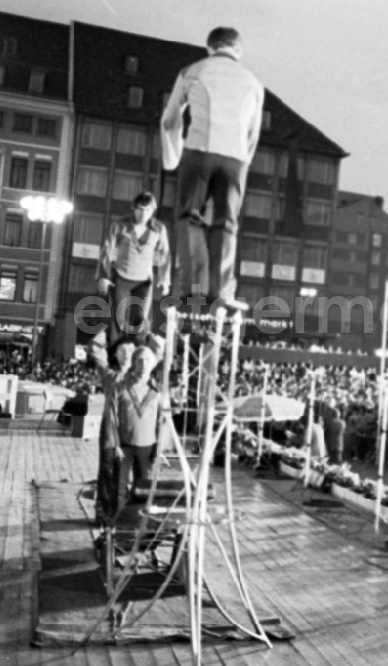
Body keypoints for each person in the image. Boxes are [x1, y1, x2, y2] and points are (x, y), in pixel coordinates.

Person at [160, 26, 264, 310]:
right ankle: (223, 292)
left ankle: (194, 289)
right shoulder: (254, 83)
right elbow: (253, 134)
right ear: (238, 50)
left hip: (199, 152)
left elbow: (170, 121)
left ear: (210, 47)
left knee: (188, 217)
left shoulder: (193, 71)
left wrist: (172, 157)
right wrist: (243, 162)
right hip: (235, 159)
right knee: (226, 222)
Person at [97, 192, 170, 342]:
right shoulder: (119, 226)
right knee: (119, 319)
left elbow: (164, 254)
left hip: (144, 282)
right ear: (133, 208)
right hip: (121, 278)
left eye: (148, 210)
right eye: (140, 209)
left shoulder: (158, 229)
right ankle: (115, 356)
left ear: (153, 211)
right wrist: (104, 276)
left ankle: (137, 354)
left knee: (139, 319)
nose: (144, 214)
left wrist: (164, 279)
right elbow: (107, 249)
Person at [90, 335, 137, 526]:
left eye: (131, 351)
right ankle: (103, 513)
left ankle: (121, 514)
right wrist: (108, 329)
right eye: (122, 351)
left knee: (125, 476)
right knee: (107, 472)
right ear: (115, 355)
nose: (127, 355)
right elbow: (94, 348)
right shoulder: (109, 375)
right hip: (110, 432)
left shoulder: (140, 377)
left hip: (131, 433)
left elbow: (158, 351)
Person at [116, 346, 162, 510]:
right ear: (134, 363)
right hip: (124, 444)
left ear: (153, 364)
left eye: (148, 360)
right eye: (140, 360)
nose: (144, 364)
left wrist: (160, 446)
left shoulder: (157, 391)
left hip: (147, 446)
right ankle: (117, 519)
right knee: (119, 486)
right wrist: (114, 443)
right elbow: (112, 417)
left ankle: (137, 519)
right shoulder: (122, 386)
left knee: (143, 487)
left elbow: (161, 421)